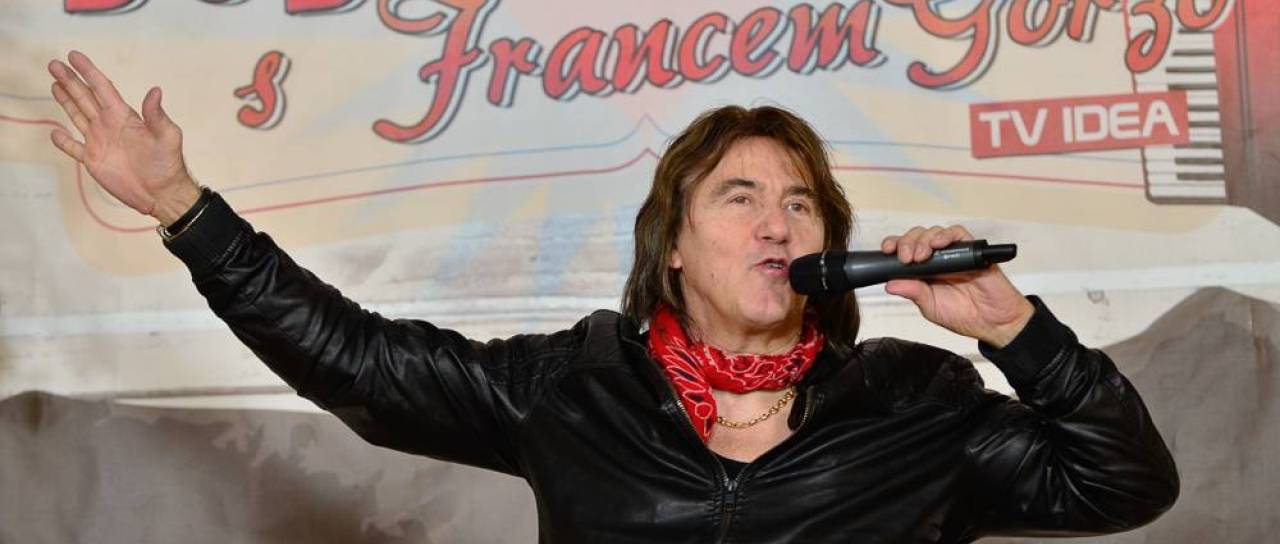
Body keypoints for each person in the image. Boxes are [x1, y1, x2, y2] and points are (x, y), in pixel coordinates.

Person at [45, 50, 1178, 542]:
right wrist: (185, 208)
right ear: (674, 246)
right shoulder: (573, 388)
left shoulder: (917, 401)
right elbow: (356, 359)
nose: (776, 223)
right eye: (739, 196)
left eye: (801, 203)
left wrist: (1014, 330)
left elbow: (1124, 485)